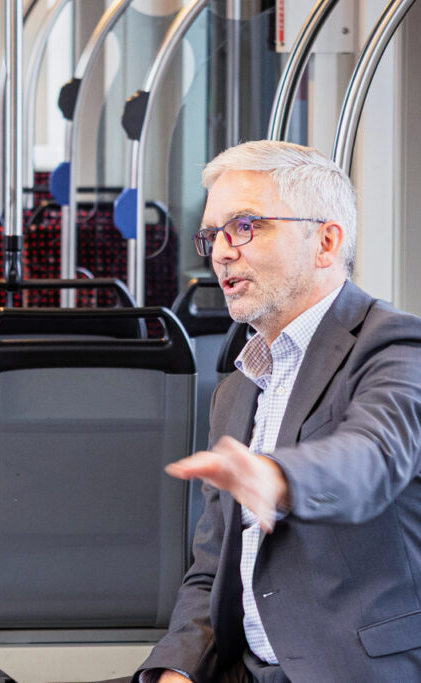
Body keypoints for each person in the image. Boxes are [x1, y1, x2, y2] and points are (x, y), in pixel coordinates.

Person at [134, 141, 421, 682]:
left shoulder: (394, 346)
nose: (220, 251)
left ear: (325, 242)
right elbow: (214, 567)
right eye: (213, 233)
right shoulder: (237, 388)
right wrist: (179, 670)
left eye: (245, 226)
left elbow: (372, 459)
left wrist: (279, 477)